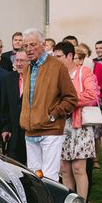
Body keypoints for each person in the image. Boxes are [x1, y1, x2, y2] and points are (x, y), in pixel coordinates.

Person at [19, 31, 78, 180]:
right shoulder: (27, 68)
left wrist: (53, 115)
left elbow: (71, 98)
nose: (29, 49)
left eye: (33, 44)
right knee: (34, 176)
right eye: (25, 46)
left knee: (49, 177)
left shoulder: (57, 67)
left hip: (50, 129)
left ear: (43, 45)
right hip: (30, 130)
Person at [58, 47, 98, 200]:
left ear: (69, 56)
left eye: (59, 56)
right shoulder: (58, 74)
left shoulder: (84, 72)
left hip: (80, 124)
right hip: (62, 125)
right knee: (64, 169)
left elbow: (91, 95)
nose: (56, 59)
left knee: (78, 168)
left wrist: (68, 102)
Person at [78, 42, 102, 169]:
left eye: (83, 55)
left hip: (93, 104)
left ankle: (95, 158)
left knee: (95, 134)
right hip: (80, 106)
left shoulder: (98, 67)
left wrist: (97, 89)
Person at [1, 50, 29, 164]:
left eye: (22, 61)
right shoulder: (8, 79)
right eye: (16, 60)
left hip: (30, 134)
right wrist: (6, 128)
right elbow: (4, 106)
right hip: (14, 134)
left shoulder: (36, 79)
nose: (18, 64)